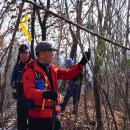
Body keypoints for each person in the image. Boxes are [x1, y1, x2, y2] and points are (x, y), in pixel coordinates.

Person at [22, 41, 91, 130]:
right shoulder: (30, 71)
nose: (53, 54)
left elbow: (68, 74)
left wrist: (82, 63)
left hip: (54, 115)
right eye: (50, 51)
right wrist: (45, 94)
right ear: (41, 54)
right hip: (37, 119)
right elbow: (28, 92)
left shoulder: (53, 68)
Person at [11, 44, 31, 130]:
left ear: (29, 53)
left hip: (32, 100)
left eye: (26, 53)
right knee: (21, 124)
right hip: (20, 100)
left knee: (33, 123)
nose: (24, 55)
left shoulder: (34, 65)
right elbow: (12, 81)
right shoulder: (17, 66)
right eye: (22, 53)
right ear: (19, 55)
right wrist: (15, 84)